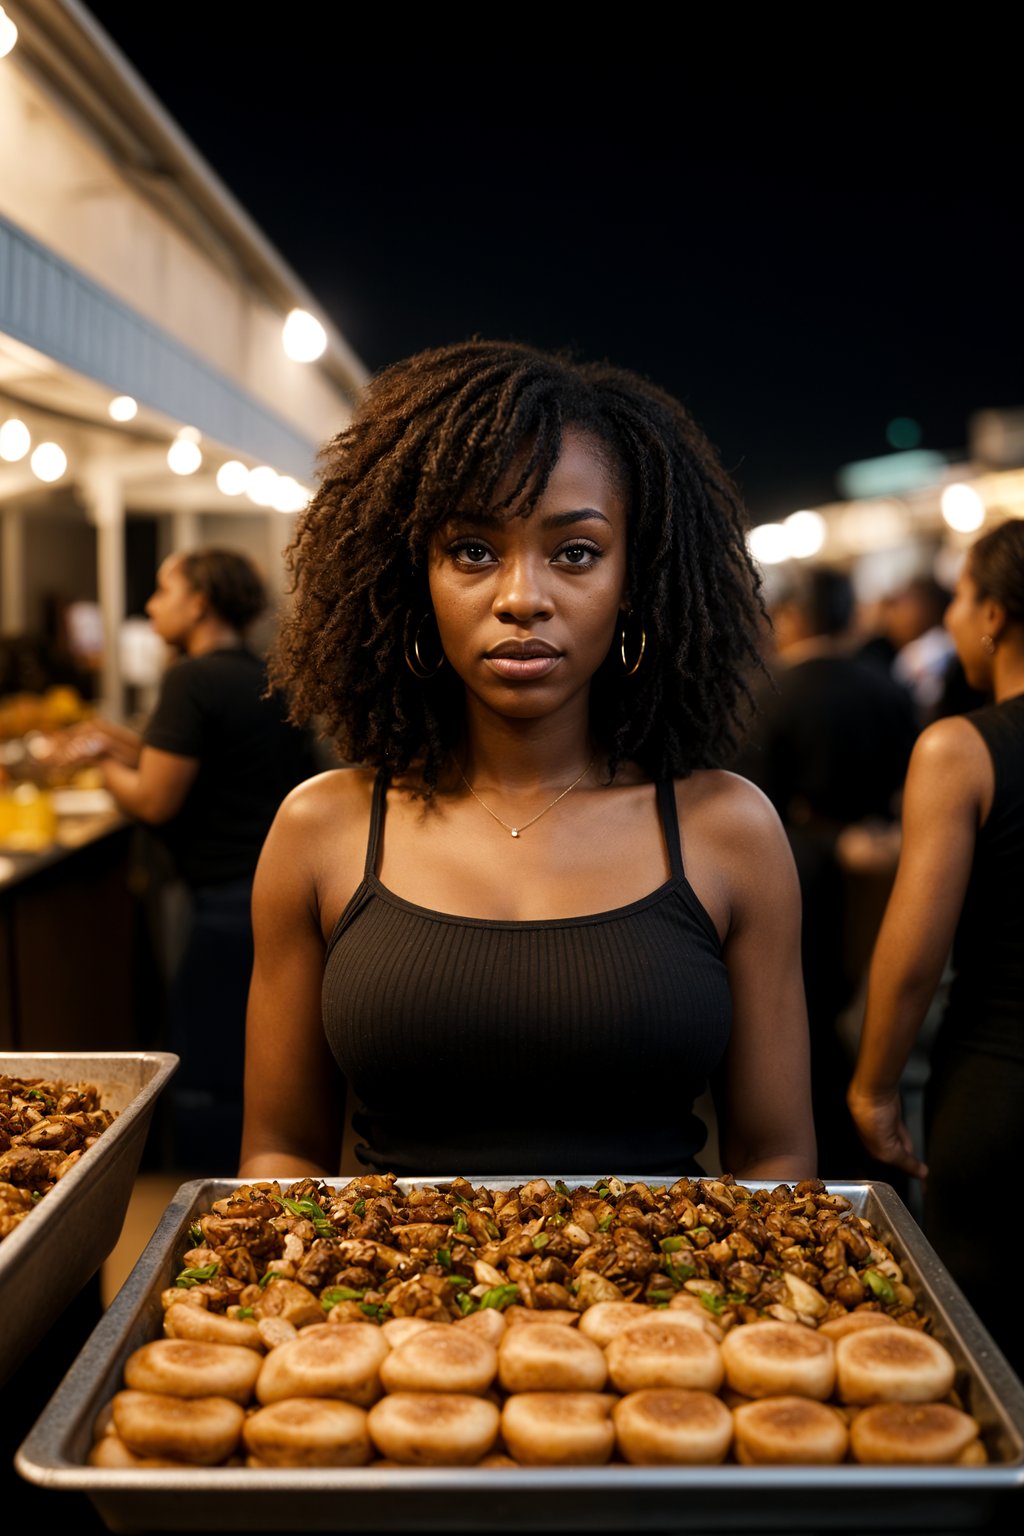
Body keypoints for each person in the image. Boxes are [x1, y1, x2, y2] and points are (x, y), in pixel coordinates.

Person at [238, 338, 816, 1185]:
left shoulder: (727, 830)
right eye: (473, 550)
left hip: (670, 1305)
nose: (521, 597)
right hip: (384, 1308)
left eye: (575, 552)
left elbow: (777, 1158)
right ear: (412, 579)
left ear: (635, 580)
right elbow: (280, 1151)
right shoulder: (320, 829)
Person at [49, 546, 318, 1170]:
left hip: (223, 897)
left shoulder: (189, 678)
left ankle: (209, 1193)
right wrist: (116, 740)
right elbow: (198, 755)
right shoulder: (259, 671)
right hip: (273, 884)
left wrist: (102, 764)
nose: (151, 604)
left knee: (205, 1059)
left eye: (163, 590)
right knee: (259, 1052)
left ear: (198, 602)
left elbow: (155, 796)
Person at [848, 518, 1024, 1376]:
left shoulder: (962, 750)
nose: (953, 616)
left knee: (990, 1354)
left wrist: (875, 1089)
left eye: (960, 596)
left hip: (1002, 1089)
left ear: (993, 614)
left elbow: (915, 950)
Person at [731, 564, 917, 1183]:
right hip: (887, 873)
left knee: (796, 1029)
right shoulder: (890, 687)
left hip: (800, 876)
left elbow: (761, 798)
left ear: (796, 617)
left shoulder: (772, 694)